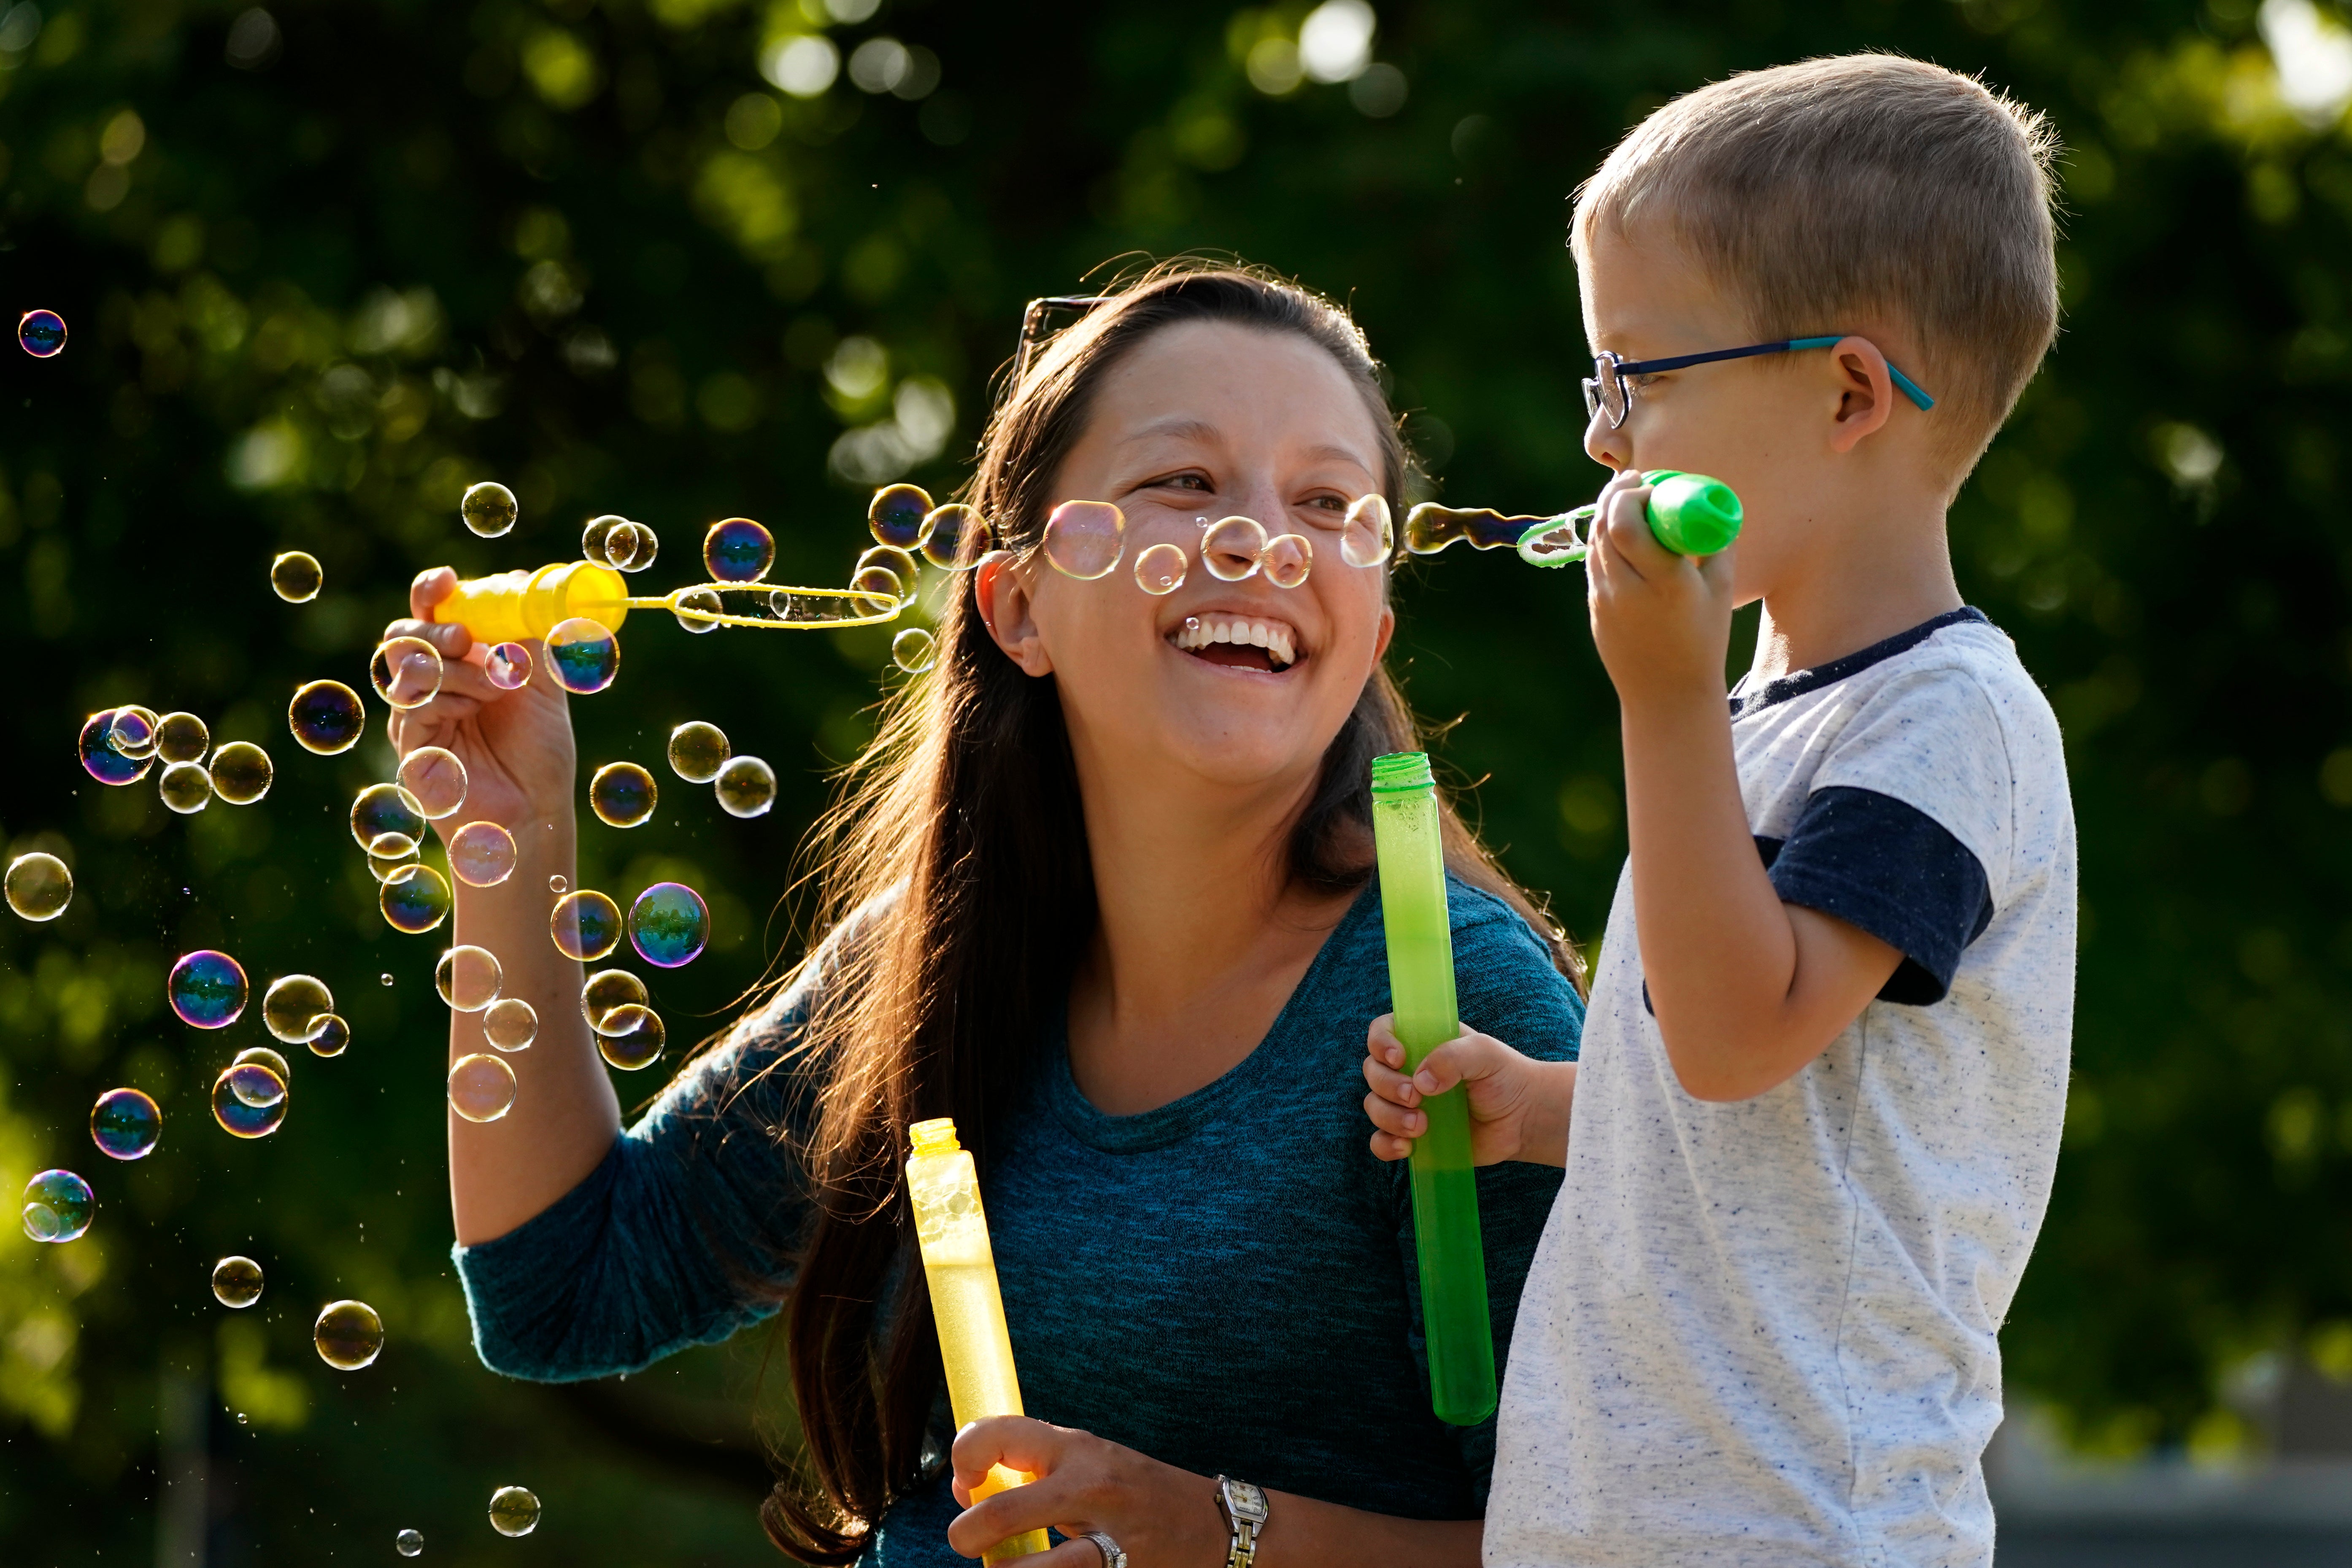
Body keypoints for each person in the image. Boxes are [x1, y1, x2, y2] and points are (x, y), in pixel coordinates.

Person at [383, 263, 1585, 1567]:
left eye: (1327, 503)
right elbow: (564, 1286)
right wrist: (509, 844)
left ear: (1371, 628)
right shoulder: (943, 954)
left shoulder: (1452, 1005)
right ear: (1017, 606)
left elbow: (1634, 1536)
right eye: (1184, 482)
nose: (1262, 539)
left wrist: (1221, 1536)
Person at [1361, 56, 2075, 1567]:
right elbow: (1761, 1114)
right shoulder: (1766, 713)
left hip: (1797, 1523)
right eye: (1597, 381)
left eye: (1639, 375)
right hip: (1630, 1521)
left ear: (1847, 392)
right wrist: (1554, 1111)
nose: (1603, 440)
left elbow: (1743, 1036)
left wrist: (1664, 702)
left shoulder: (1945, 719)